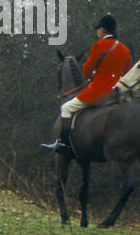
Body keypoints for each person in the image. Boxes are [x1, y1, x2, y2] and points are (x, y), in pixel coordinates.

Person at [41, 14, 132, 154]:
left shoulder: (99, 46)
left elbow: (87, 71)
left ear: (103, 30)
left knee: (66, 107)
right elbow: (128, 73)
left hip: (98, 92)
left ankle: (63, 144)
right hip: (117, 94)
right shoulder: (125, 50)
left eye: (98, 29)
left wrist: (93, 76)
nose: (97, 32)